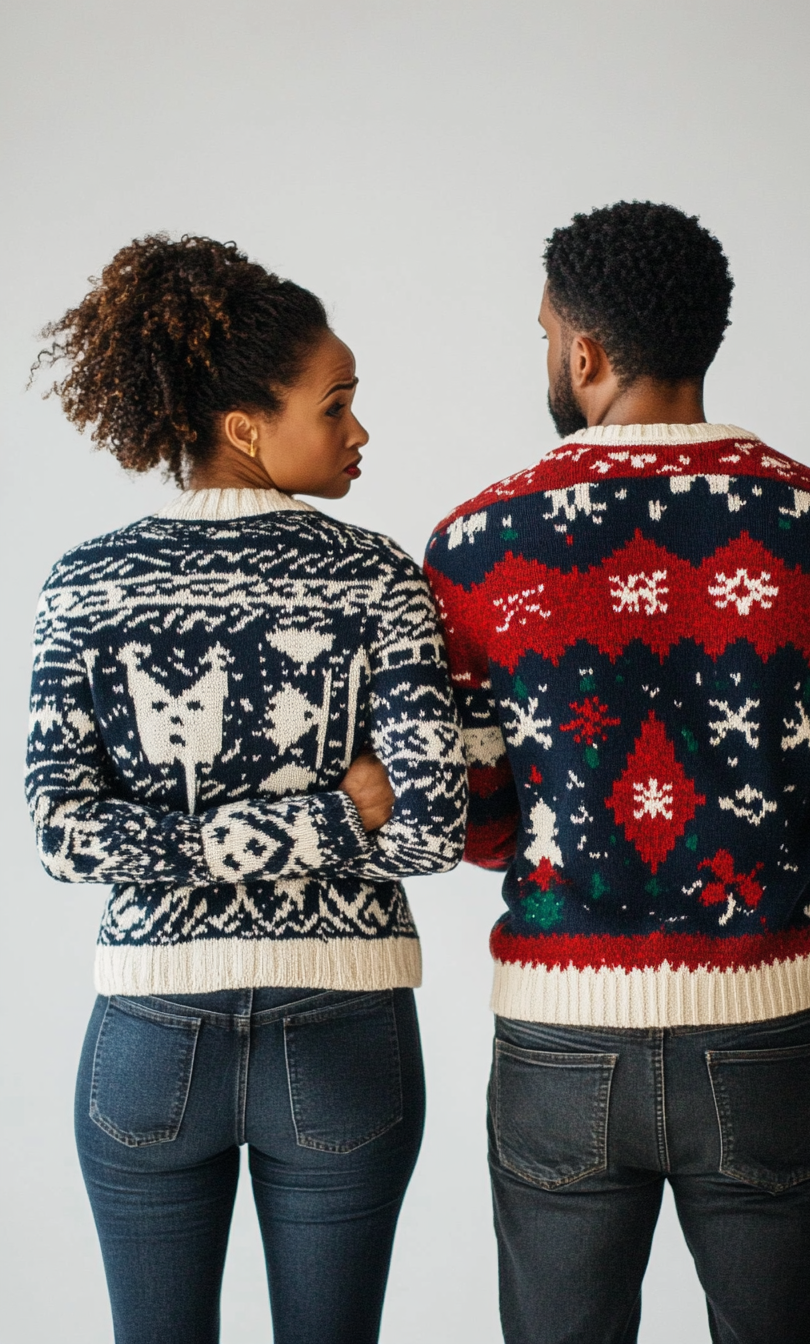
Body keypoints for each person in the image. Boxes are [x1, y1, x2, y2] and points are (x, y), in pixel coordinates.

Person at [424, 201, 810, 1344]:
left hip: (554, 1038)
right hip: (765, 1025)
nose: (546, 356)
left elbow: (477, 820)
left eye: (545, 334)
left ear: (582, 352)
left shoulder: (477, 545)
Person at [25, 233, 467, 1344]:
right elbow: (423, 828)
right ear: (244, 427)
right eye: (336, 404)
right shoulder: (378, 579)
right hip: (346, 1027)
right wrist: (333, 813)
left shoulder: (85, 583)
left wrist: (192, 839)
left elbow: (73, 835)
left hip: (145, 1034)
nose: (359, 430)